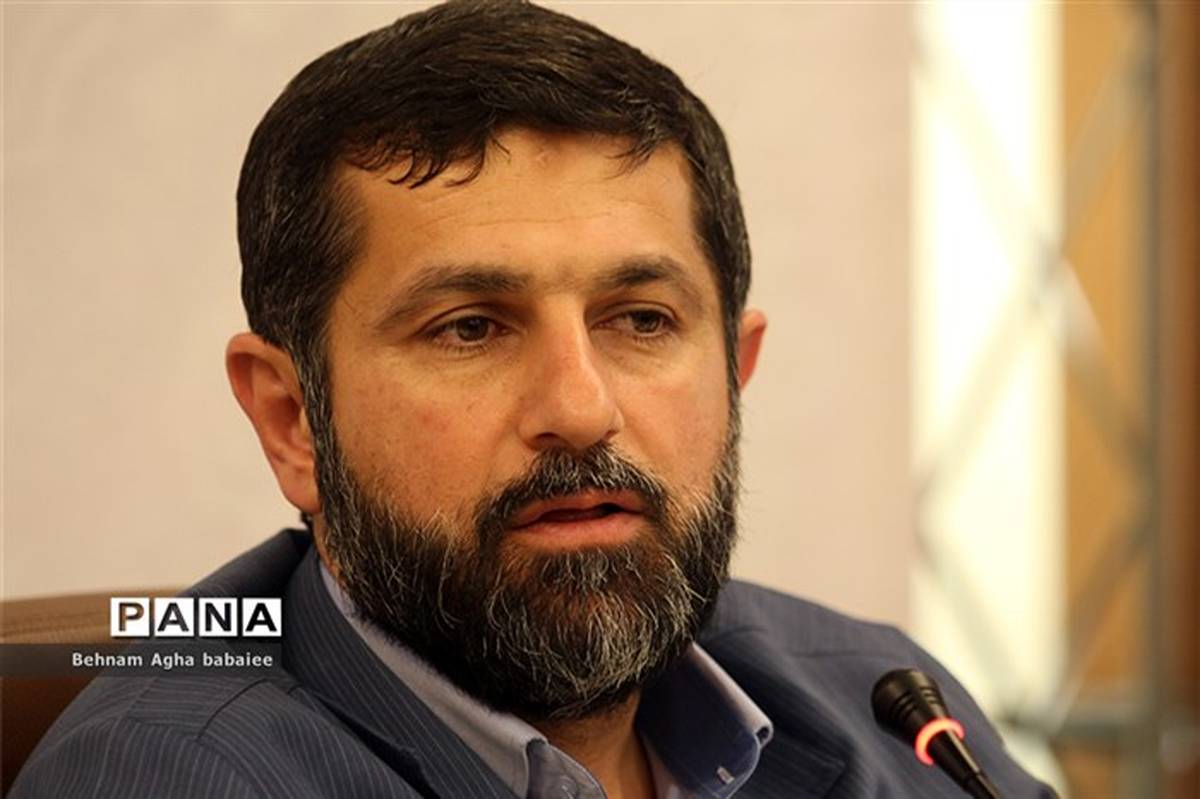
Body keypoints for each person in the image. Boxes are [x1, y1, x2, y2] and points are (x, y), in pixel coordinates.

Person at [13, 1, 1053, 796]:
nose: (581, 407)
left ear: (735, 373)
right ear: (293, 422)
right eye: (469, 327)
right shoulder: (171, 773)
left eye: (641, 319)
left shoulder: (882, 703)